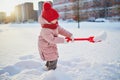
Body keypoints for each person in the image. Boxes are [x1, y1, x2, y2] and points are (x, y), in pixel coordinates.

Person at [38, 2, 73, 71]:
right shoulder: (45, 30)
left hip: (50, 45)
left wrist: (70, 35)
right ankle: (51, 72)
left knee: (51, 57)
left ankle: (47, 68)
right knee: (53, 58)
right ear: (48, 20)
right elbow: (52, 39)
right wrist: (63, 40)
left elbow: (62, 30)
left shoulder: (54, 25)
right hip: (45, 46)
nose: (56, 20)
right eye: (55, 19)